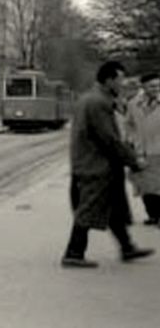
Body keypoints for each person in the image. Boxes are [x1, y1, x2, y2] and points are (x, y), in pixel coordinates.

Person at [61, 60, 153, 268]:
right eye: (120, 80)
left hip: (93, 164)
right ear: (109, 80)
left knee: (113, 209)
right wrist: (133, 161)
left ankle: (127, 247)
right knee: (88, 209)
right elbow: (109, 139)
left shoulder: (92, 99)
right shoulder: (98, 103)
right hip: (96, 166)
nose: (123, 85)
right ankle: (73, 253)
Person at [126, 72, 160, 225]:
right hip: (141, 150)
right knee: (144, 186)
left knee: (158, 185)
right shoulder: (133, 104)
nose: (156, 88)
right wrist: (132, 141)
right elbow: (129, 125)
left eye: (158, 85)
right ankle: (153, 215)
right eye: (152, 85)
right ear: (143, 87)